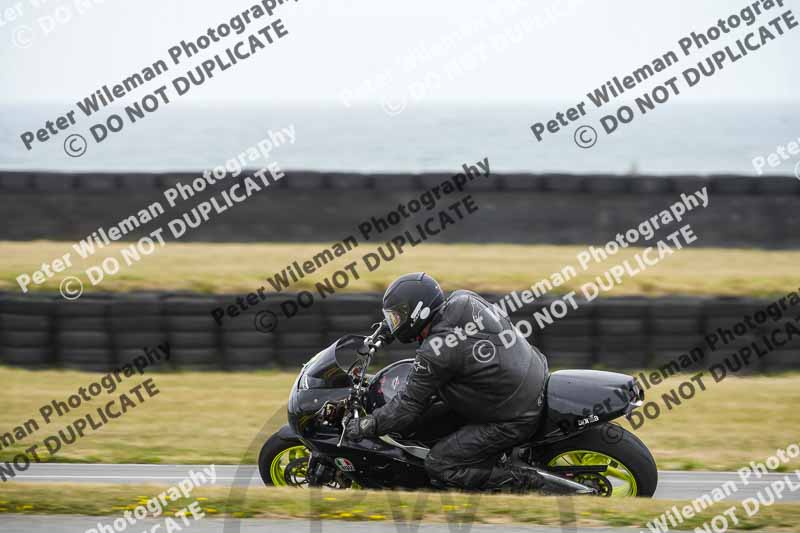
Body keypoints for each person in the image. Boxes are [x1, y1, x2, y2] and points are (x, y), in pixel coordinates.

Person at [345, 272, 578, 493]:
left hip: (515, 416)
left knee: (440, 464)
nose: (395, 323)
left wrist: (368, 425)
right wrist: (388, 329)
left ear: (418, 313)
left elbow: (406, 407)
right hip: (527, 374)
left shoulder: (435, 353)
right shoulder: (463, 299)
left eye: (397, 317)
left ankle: (528, 482)